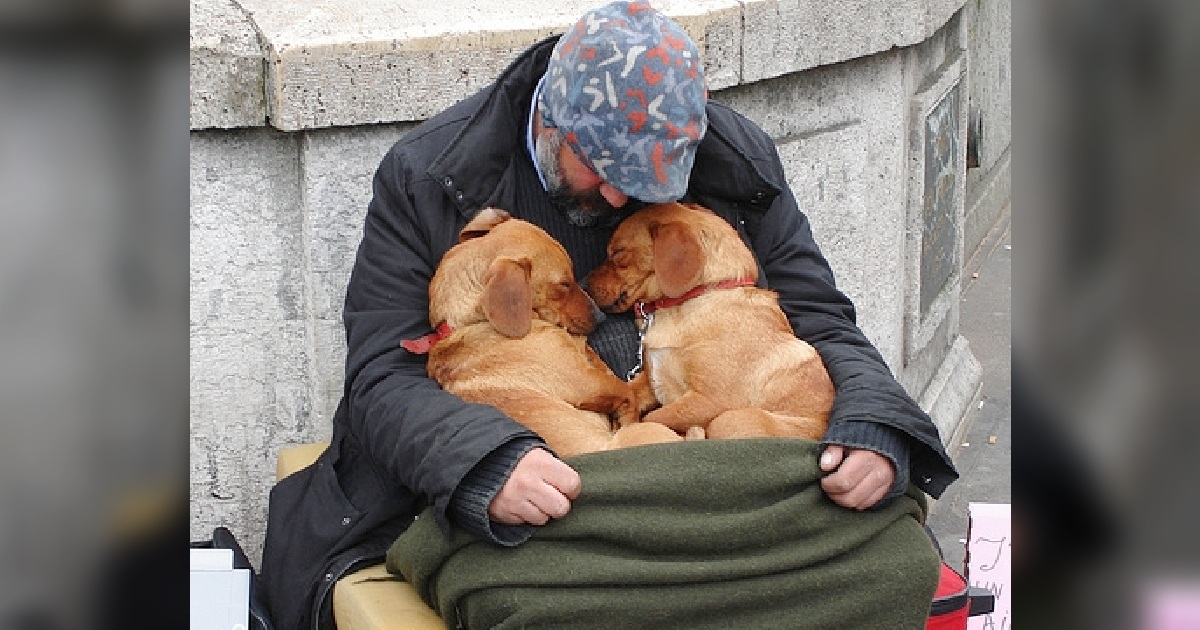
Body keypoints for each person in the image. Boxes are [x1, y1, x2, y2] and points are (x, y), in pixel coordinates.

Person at [261, 2, 958, 628]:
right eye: (605, 168)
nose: (624, 198)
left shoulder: (733, 159)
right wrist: (484, 463)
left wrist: (873, 425)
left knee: (897, 563)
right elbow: (381, 378)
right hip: (543, 481)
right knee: (536, 602)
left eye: (654, 179)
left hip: (695, 472)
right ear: (551, 120)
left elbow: (822, 319)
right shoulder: (431, 176)